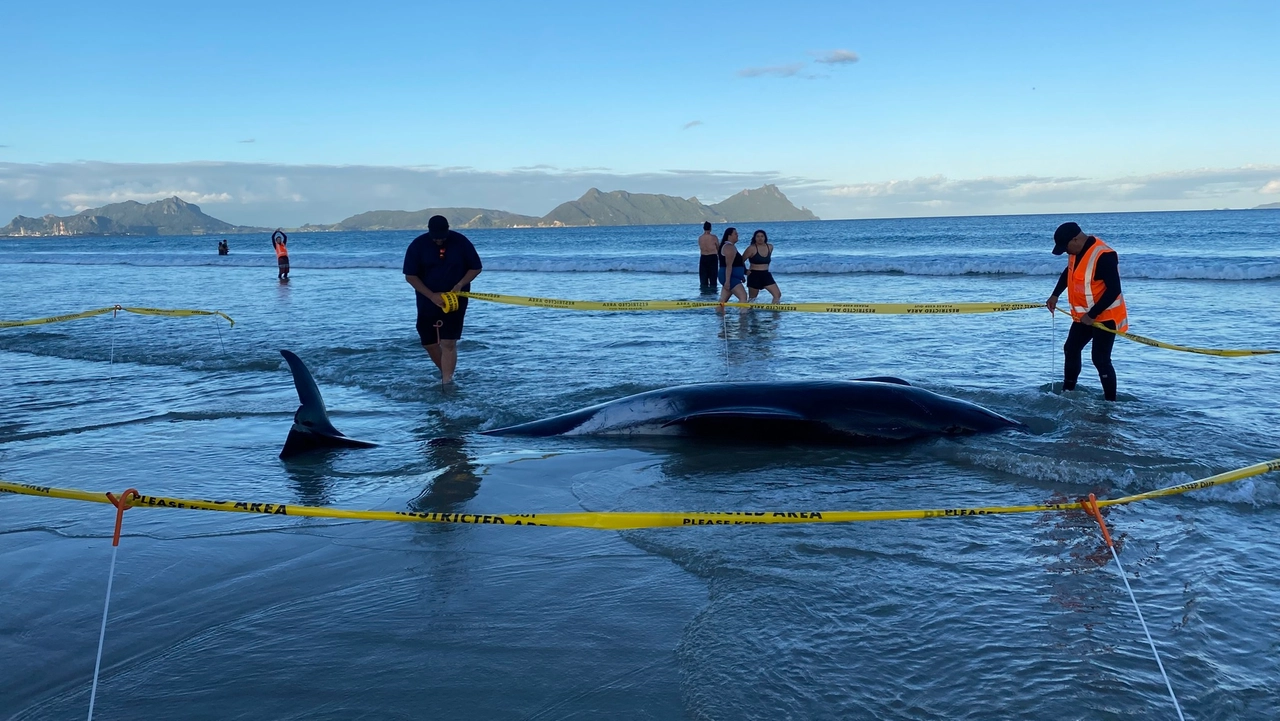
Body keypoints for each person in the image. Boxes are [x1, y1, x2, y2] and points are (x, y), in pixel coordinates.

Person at [1046, 221, 1128, 401]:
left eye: (1066, 247)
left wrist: (1092, 315)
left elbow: (1114, 290)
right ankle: (1068, 392)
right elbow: (1068, 273)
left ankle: (1110, 402)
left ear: (1075, 239)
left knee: (1100, 359)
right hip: (1083, 316)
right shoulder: (1076, 252)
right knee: (1071, 348)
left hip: (1105, 316)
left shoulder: (1104, 255)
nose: (1066, 252)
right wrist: (1055, 295)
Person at [403, 215, 483, 384]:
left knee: (448, 341)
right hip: (427, 298)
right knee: (429, 342)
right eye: (436, 238)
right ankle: (446, 371)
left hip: (455, 298)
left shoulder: (461, 242)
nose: (439, 241)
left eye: (442, 237)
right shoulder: (418, 245)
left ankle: (447, 381)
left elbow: (476, 267)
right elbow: (410, 276)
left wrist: (460, 284)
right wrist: (432, 296)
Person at [742, 229, 781, 304]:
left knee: (777, 294)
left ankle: (775, 313)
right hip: (754, 275)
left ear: (765, 237)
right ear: (755, 238)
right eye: (758, 236)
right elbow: (741, 260)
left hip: (766, 274)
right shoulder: (751, 248)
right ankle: (748, 313)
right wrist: (745, 271)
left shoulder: (770, 247)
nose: (760, 238)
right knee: (752, 299)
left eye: (762, 236)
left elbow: (767, 261)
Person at [717, 227, 747, 306]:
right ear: (729, 236)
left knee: (723, 300)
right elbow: (728, 266)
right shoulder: (728, 247)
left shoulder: (730, 246)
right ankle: (743, 317)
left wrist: (741, 276)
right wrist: (727, 281)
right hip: (729, 277)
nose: (737, 235)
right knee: (743, 296)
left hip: (732, 277)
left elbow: (736, 263)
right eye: (735, 234)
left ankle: (718, 316)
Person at [697, 221, 719, 292]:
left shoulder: (700, 238)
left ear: (703, 228)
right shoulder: (714, 237)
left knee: (703, 279)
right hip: (712, 257)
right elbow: (718, 247)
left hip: (703, 257)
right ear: (710, 228)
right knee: (713, 278)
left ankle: (704, 293)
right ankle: (713, 294)